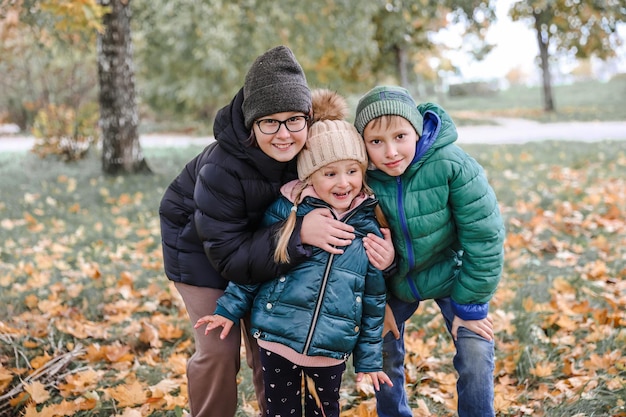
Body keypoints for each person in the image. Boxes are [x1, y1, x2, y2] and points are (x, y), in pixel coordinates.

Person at [158, 46, 357, 417]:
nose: (283, 134)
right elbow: (231, 258)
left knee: (270, 343)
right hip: (202, 250)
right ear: (252, 123)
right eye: (270, 122)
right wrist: (297, 234)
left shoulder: (309, 149)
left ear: (307, 118)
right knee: (218, 349)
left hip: (271, 243)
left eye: (293, 120)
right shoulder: (222, 168)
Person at [195, 89, 392, 417]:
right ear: (310, 175)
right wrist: (228, 310)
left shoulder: (368, 227)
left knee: (324, 412)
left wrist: (369, 359)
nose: (344, 183)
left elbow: (372, 300)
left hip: (331, 350)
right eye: (330, 173)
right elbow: (257, 267)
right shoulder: (287, 211)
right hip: (276, 340)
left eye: (352, 171)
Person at [354, 85, 506, 417]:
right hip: (393, 278)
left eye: (400, 136)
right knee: (381, 344)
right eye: (376, 142)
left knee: (475, 348)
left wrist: (469, 306)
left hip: (451, 272)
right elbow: (356, 250)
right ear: (362, 144)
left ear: (418, 130)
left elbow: (485, 237)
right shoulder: (360, 179)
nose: (391, 151)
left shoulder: (452, 164)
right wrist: (377, 302)